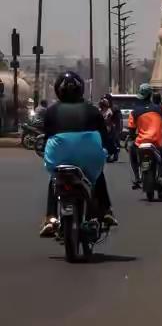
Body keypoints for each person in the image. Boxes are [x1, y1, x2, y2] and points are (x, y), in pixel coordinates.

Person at [39, 72, 117, 238]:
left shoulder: (51, 112)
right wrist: (112, 149)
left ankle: (51, 218)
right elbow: (105, 137)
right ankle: (105, 210)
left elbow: (46, 138)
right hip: (89, 157)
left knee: (54, 180)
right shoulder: (92, 111)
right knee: (98, 176)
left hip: (58, 157)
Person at [128, 83, 162, 188]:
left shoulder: (134, 112)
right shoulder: (161, 109)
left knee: (132, 151)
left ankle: (137, 177)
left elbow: (131, 131)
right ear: (151, 95)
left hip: (141, 143)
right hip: (157, 142)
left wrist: (132, 137)